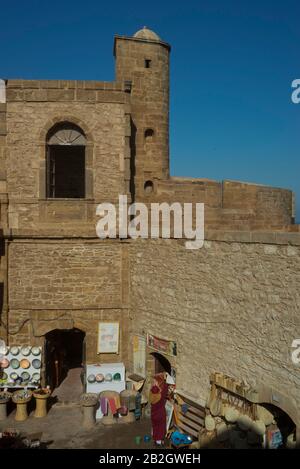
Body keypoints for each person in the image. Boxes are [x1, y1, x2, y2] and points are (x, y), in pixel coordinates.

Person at [149, 372, 168, 446]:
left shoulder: (153, 390)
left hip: (154, 412)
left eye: (154, 381)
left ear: (158, 382)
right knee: (161, 427)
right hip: (161, 412)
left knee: (156, 426)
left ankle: (157, 441)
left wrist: (155, 385)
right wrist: (162, 378)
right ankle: (159, 441)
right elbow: (165, 386)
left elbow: (152, 392)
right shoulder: (164, 389)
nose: (153, 383)